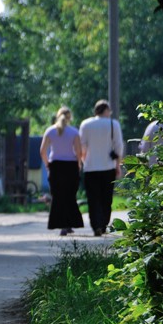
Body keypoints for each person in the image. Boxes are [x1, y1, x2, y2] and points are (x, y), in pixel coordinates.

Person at [79, 100, 123, 236]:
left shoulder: (86, 124)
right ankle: (103, 224)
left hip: (91, 168)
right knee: (106, 198)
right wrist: (118, 165)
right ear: (106, 110)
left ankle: (96, 225)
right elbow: (119, 146)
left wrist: (83, 160)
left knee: (93, 199)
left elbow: (82, 147)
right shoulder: (113, 124)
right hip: (108, 167)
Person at [39, 107, 84, 236]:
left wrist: (48, 165)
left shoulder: (50, 131)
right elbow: (78, 152)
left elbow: (42, 151)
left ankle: (61, 224)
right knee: (70, 196)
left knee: (58, 197)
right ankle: (68, 224)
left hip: (56, 167)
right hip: (70, 166)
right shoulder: (74, 132)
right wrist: (79, 164)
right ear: (70, 118)